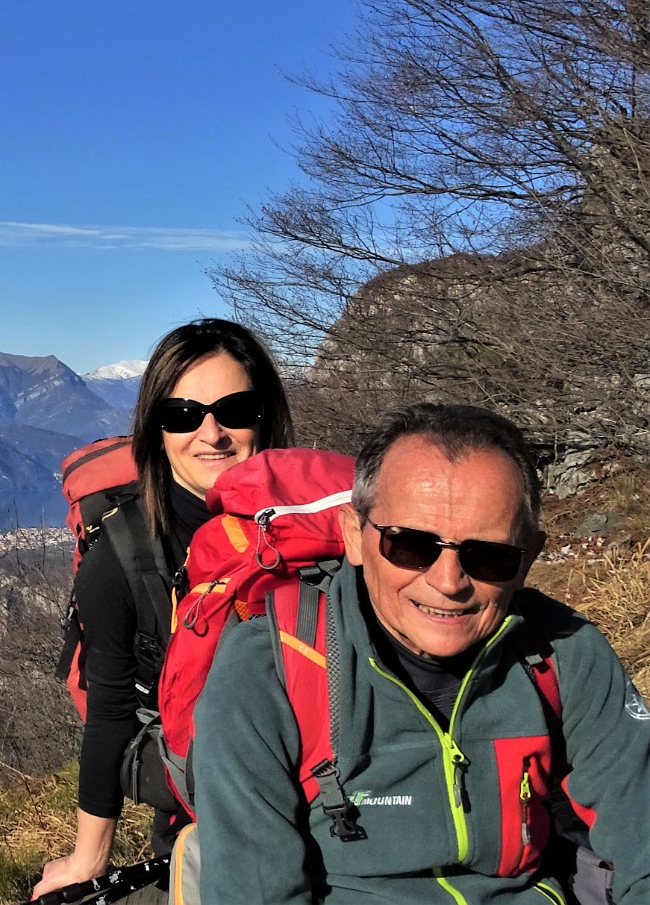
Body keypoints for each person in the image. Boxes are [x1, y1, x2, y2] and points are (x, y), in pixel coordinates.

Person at [192, 403, 650, 904]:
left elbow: (640, 832)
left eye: (489, 554)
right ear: (354, 536)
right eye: (409, 544)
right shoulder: (269, 669)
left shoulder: (564, 650)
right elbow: (255, 891)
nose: (448, 582)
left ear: (528, 558)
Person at [33, 319, 293, 902]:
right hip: (201, 799)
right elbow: (110, 712)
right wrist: (87, 860)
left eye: (235, 409)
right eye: (183, 414)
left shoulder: (315, 528)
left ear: (266, 417)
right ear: (155, 430)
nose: (212, 433)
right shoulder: (124, 556)